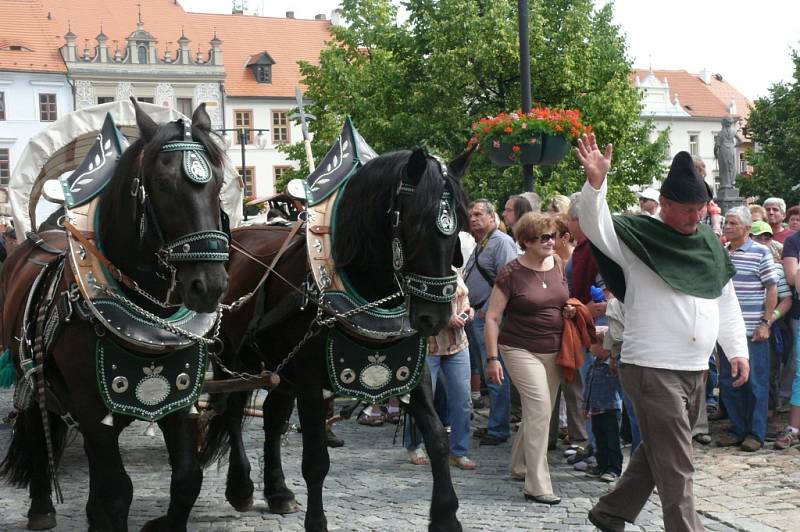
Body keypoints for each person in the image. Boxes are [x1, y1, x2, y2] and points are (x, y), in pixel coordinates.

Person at [576, 136, 749, 532]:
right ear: (666, 204)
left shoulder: (709, 242)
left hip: (695, 368)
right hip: (651, 367)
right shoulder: (638, 237)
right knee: (677, 460)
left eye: (701, 210)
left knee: (657, 452)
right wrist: (596, 184)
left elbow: (724, 298)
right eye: (687, 210)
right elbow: (595, 224)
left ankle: (610, 512)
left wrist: (736, 348)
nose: (695, 217)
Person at [484, 212, 571, 505]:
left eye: (552, 235)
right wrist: (492, 358)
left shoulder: (557, 263)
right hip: (519, 348)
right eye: (543, 237)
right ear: (526, 241)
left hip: (555, 349)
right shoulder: (511, 272)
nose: (550, 241)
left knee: (540, 412)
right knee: (540, 408)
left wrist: (571, 310)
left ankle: (520, 464)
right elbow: (493, 318)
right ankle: (537, 483)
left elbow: (561, 300)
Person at [716, 207, 778, 452]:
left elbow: (772, 289)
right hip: (726, 330)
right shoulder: (721, 254)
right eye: (726, 223)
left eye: (732, 223)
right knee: (729, 382)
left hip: (753, 329)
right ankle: (738, 428)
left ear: (746, 228)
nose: (727, 227)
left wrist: (766, 322)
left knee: (755, 383)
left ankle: (755, 432)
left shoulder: (760, 252)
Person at [404, 273, 477, 469]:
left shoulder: (455, 269)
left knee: (463, 399)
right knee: (423, 399)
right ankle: (414, 445)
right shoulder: (422, 270)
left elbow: (464, 297)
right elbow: (415, 308)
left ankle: (458, 451)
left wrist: (468, 311)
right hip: (429, 346)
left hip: (458, 344)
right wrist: (446, 319)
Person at [462, 199, 518, 445]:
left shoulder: (501, 242)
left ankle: (498, 428)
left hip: (489, 318)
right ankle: (495, 423)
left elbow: (507, 281)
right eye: (471, 215)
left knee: (495, 372)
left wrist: (489, 309)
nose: (473, 219)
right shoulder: (482, 243)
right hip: (476, 316)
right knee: (487, 373)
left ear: (491, 216)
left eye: (478, 214)